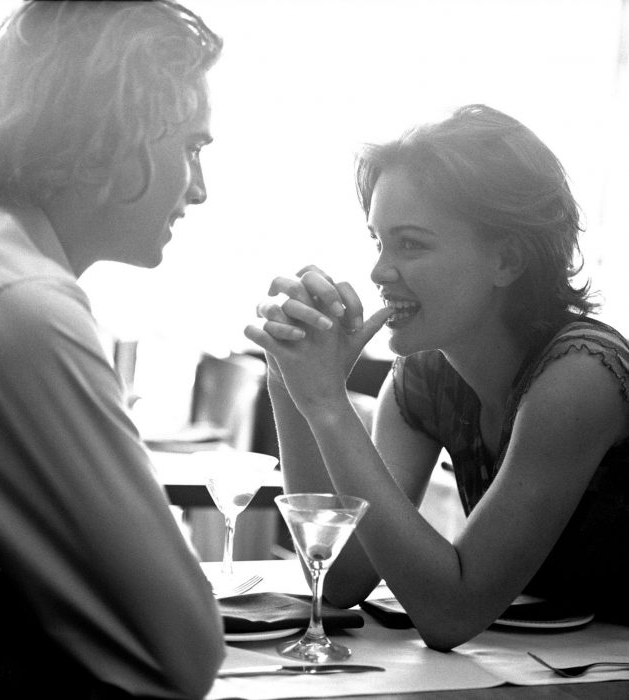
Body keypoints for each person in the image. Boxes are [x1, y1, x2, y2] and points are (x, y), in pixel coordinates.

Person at [246, 104, 629, 650]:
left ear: (507, 261)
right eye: (378, 241)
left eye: (412, 244)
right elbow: (344, 574)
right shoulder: (423, 380)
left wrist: (329, 404)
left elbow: (450, 614)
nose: (379, 271)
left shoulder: (580, 377)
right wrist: (290, 379)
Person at [0, 2, 225, 698]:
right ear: (114, 133)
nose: (199, 190)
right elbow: (180, 650)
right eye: (191, 148)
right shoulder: (17, 300)